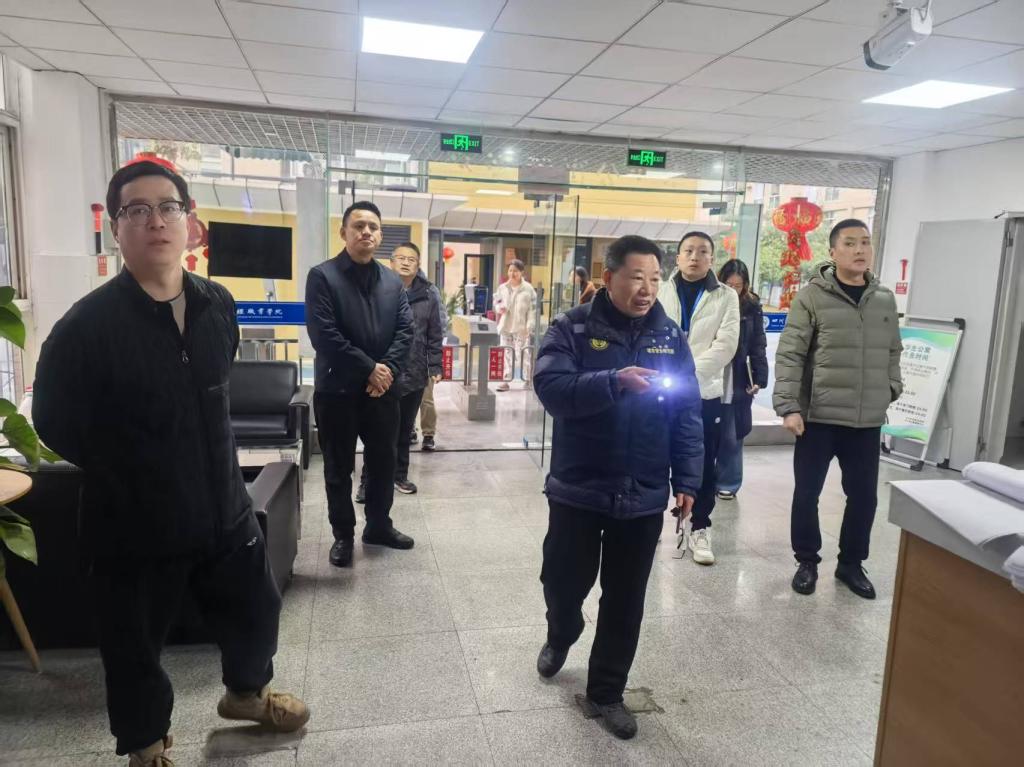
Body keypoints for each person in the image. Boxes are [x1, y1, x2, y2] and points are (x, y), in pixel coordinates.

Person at [32, 160, 309, 766]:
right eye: (137, 210)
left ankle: (245, 695)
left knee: (256, 610)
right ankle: (146, 745)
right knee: (133, 645)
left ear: (190, 223)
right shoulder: (85, 327)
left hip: (223, 506)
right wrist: (129, 467)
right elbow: (53, 421)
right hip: (134, 521)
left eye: (168, 207)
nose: (155, 221)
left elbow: (214, 388)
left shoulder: (217, 304)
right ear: (116, 228)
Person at [533, 235, 704, 740]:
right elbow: (551, 389)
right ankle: (562, 630)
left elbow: (687, 412)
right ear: (608, 278)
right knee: (563, 581)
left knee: (626, 598)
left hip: (643, 490)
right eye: (635, 277)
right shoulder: (572, 327)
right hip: (578, 487)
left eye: (654, 278)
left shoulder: (670, 337)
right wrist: (614, 381)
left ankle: (606, 690)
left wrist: (688, 478)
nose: (646, 288)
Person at [774, 219, 903, 600]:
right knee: (807, 493)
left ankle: (851, 564)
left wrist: (892, 387)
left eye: (865, 242)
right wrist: (789, 407)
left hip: (865, 420)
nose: (859, 250)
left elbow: (893, 350)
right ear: (832, 252)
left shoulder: (883, 298)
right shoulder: (811, 297)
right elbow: (791, 354)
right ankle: (807, 561)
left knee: (864, 498)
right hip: (818, 417)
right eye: (849, 243)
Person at [306, 201, 415, 568]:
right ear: (344, 233)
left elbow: (406, 330)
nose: (366, 231)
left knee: (383, 463)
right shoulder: (323, 277)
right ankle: (343, 536)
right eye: (358, 226)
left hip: (382, 393)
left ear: (380, 235)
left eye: (373, 226)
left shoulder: (392, 281)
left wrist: (386, 371)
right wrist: (369, 369)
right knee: (338, 468)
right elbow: (324, 334)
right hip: (337, 392)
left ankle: (379, 526)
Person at [657, 231, 739, 565]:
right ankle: (649, 523)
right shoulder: (661, 290)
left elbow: (726, 344)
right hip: (658, 390)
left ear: (711, 259)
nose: (694, 257)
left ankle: (700, 527)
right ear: (677, 257)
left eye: (702, 251)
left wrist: (687, 374)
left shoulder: (726, 296)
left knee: (703, 463)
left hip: (704, 392)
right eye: (688, 251)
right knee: (653, 457)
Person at [355, 243, 443, 498]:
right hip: (381, 373)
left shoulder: (429, 293)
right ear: (391, 262)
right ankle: (368, 482)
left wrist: (435, 365)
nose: (406, 263)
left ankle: (399, 475)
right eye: (401, 258)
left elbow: (435, 332)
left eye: (411, 259)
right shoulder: (375, 287)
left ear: (418, 265)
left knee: (404, 431)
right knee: (376, 432)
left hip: (414, 372)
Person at [716, 259, 769, 501]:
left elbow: (758, 344)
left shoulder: (751, 306)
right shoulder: (711, 301)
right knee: (706, 432)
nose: (734, 290)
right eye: (729, 284)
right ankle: (702, 481)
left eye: (738, 286)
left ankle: (728, 481)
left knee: (733, 432)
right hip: (712, 370)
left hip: (737, 375)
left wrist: (759, 377)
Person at [493, 259, 536, 392]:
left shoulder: (528, 289)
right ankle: (505, 381)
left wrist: (529, 327)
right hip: (506, 327)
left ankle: (527, 380)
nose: (512, 273)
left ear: (522, 272)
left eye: (515, 271)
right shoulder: (502, 288)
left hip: (521, 328)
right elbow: (496, 302)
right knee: (507, 354)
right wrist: (499, 308)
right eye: (510, 270)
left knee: (523, 354)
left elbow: (533, 310)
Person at [416, 284, 447, 452]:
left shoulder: (429, 290)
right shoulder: (392, 285)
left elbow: (439, 326)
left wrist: (435, 365)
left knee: (425, 398)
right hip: (400, 356)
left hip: (423, 356)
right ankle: (409, 430)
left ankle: (428, 434)